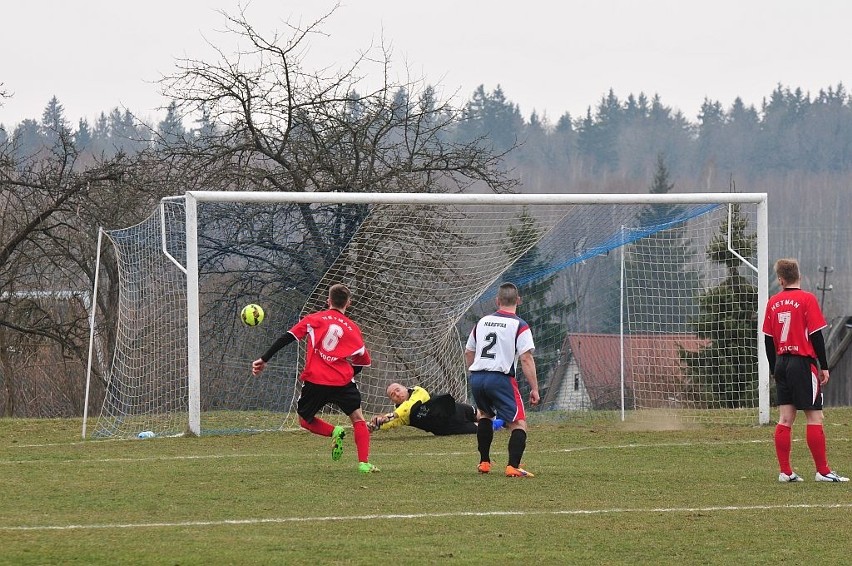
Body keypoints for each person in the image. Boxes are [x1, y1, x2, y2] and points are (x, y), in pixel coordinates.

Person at [251, 283, 379, 474]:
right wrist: (348, 375)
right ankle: (363, 463)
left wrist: (263, 359)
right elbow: (362, 360)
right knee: (358, 419)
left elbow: (286, 338)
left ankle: (333, 431)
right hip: (342, 381)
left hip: (315, 379)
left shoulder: (314, 319)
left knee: (304, 420)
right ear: (348, 303)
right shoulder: (353, 328)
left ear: (328, 301)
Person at [763, 258, 848, 483]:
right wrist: (825, 366)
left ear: (780, 280)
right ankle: (823, 471)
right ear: (798, 276)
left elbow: (768, 340)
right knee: (815, 416)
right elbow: (816, 336)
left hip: (781, 361)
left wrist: (774, 368)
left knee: (785, 418)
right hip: (802, 363)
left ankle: (786, 472)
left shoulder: (773, 302)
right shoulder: (807, 299)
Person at [465, 282, 539, 478]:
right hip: (500, 378)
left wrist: (476, 374)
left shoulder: (481, 322)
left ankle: (484, 463)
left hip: (478, 376)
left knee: (485, 416)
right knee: (518, 423)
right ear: (519, 300)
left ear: (497, 301)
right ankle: (513, 466)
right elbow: (526, 358)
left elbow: (469, 351)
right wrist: (534, 388)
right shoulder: (520, 325)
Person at [369, 383, 494, 436]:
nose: (396, 394)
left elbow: (408, 407)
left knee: (483, 414)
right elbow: (393, 423)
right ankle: (501, 423)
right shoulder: (400, 414)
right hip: (446, 428)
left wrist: (390, 415)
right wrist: (375, 425)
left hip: (455, 410)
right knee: (485, 428)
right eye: (392, 395)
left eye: (397, 390)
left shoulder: (418, 392)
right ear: (393, 400)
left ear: (405, 388)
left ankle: (503, 418)